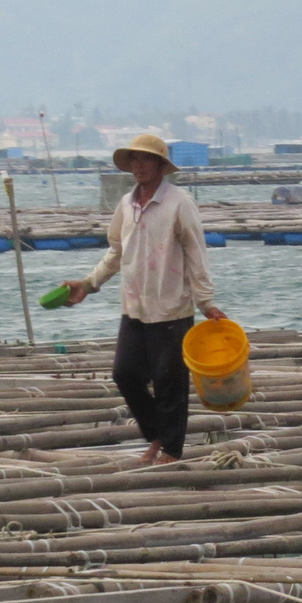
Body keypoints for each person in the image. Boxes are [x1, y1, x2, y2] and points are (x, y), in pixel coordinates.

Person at [60, 133, 226, 465]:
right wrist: (89, 284)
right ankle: (157, 436)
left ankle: (171, 450)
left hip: (171, 307)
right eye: (134, 160)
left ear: (161, 166)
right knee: (125, 374)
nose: (139, 166)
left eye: (146, 159)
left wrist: (206, 302)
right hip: (134, 306)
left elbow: (196, 253)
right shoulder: (126, 205)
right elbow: (116, 253)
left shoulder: (179, 203)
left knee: (169, 383)